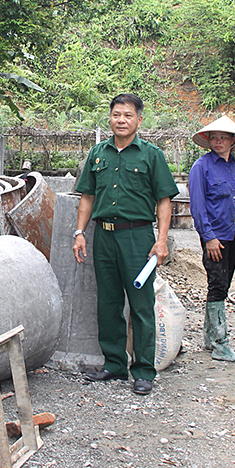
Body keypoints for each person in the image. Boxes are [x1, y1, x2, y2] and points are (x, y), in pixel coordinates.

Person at [73, 93, 179, 396]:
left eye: (128, 115)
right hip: (103, 236)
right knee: (107, 302)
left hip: (137, 237)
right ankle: (114, 364)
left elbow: (164, 200)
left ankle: (144, 370)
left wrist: (161, 241)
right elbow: (87, 198)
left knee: (141, 304)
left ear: (139, 120)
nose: (121, 120)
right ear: (110, 117)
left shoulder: (151, 155)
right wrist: (79, 232)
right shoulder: (98, 153)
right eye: (116, 114)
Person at [188, 116, 235, 363]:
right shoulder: (201, 167)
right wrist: (209, 238)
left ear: (233, 140)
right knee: (217, 286)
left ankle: (209, 337)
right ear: (207, 140)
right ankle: (220, 344)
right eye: (213, 137)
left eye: (223, 137)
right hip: (216, 238)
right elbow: (198, 206)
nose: (218, 141)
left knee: (222, 286)